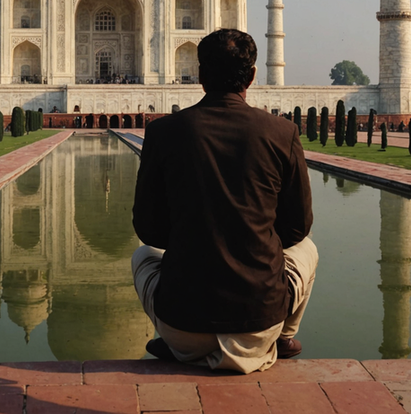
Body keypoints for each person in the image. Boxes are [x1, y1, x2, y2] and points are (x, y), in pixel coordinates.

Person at [131, 29, 317, 374]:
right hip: (258, 325)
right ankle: (283, 337)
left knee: (142, 254)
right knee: (309, 249)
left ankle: (172, 342)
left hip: (182, 326)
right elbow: (297, 227)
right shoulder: (281, 132)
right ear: (252, 75)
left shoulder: (163, 132)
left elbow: (148, 229)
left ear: (200, 76)